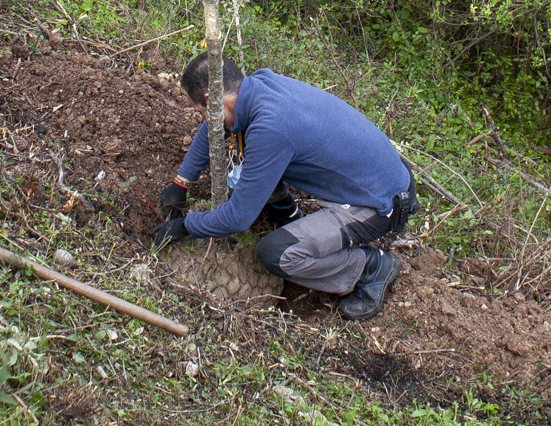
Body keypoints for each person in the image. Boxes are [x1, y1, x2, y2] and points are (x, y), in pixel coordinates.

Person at [152, 52, 417, 321]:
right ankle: (287, 217)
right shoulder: (258, 86)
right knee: (252, 159)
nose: (204, 119)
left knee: (276, 253)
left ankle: (371, 268)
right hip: (379, 177)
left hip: (378, 203)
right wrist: (181, 183)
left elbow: (238, 219)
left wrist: (186, 226)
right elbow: (215, 126)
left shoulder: (271, 127)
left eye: (201, 111)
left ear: (211, 99)